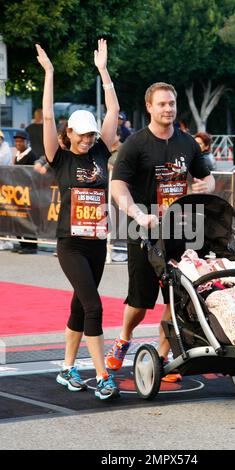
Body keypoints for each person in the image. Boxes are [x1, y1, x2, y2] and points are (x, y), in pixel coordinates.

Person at [107, 82, 215, 381]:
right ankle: (124, 337)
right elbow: (118, 185)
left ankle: (163, 357)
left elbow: (207, 178)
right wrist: (137, 214)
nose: (168, 109)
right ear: (150, 108)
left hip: (182, 232)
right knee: (141, 303)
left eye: (172, 103)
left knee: (178, 298)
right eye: (162, 104)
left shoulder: (188, 144)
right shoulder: (136, 144)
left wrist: (207, 185)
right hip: (144, 232)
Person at [36, 38, 120, 400]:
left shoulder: (101, 149)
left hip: (97, 242)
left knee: (78, 305)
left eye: (90, 134)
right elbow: (50, 114)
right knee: (93, 306)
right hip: (70, 243)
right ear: (69, 134)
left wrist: (103, 72)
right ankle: (102, 374)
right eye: (81, 135)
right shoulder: (60, 157)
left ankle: (67, 367)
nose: (87, 140)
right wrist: (50, 73)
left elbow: (113, 112)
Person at [12, 130, 38, 254]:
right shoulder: (17, 155)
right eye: (16, 141)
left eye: (21, 141)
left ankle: (31, 245)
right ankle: (22, 243)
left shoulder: (32, 156)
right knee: (19, 218)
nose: (18, 143)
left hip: (29, 193)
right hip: (18, 192)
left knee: (28, 219)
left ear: (27, 142)